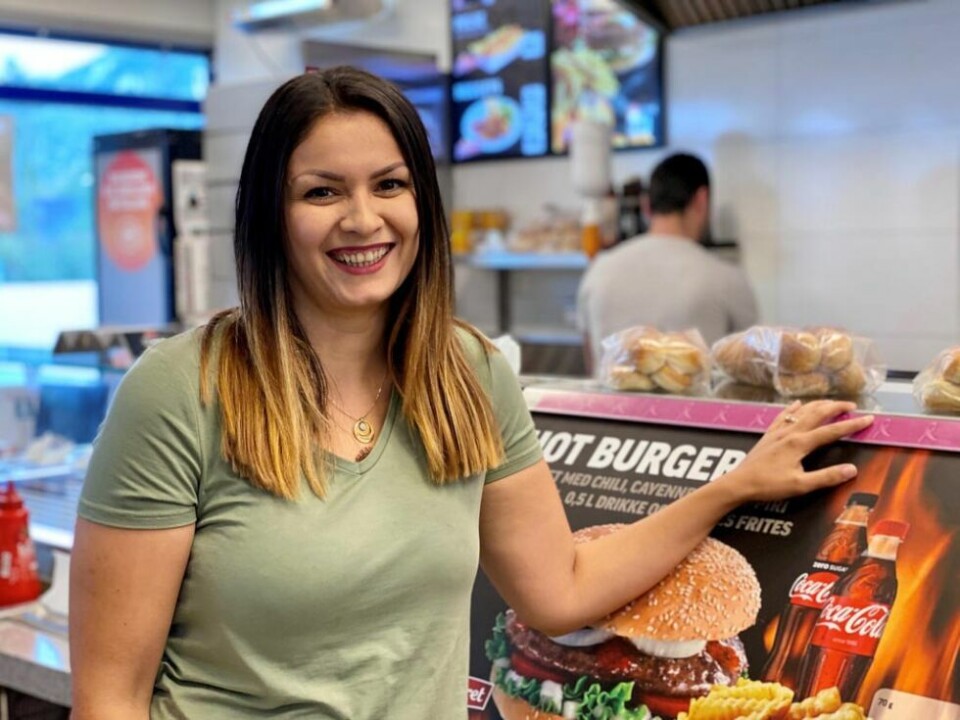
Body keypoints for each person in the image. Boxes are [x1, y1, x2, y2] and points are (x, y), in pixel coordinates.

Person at [68, 67, 873, 720]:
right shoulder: (180, 391)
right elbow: (109, 699)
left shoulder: (466, 374)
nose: (363, 219)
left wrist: (733, 486)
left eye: (389, 185)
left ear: (421, 201)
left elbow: (560, 588)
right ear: (270, 216)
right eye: (322, 192)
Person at [577, 152, 759, 375]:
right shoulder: (726, 278)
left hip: (605, 398)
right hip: (698, 399)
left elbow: (591, 361)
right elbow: (752, 367)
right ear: (701, 200)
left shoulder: (599, 269)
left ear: (646, 205)